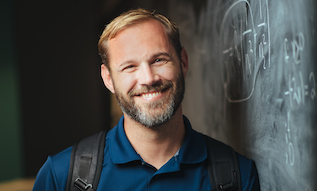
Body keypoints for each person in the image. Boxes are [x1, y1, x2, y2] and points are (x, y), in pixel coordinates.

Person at [33, 8, 260, 190]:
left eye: (159, 60)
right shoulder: (62, 176)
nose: (148, 79)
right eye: (129, 67)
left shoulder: (237, 175)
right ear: (108, 79)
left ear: (183, 62)